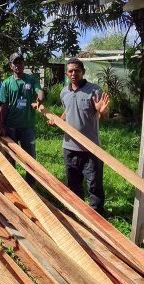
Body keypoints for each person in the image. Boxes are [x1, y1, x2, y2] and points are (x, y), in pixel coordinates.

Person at [55, 57, 109, 214]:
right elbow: (68, 110)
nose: (73, 73)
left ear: (83, 72)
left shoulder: (94, 90)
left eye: (77, 70)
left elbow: (103, 117)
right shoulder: (64, 92)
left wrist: (102, 111)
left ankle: (97, 215)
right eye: (70, 71)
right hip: (69, 147)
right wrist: (59, 120)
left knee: (94, 184)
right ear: (66, 73)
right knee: (73, 183)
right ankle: (76, 211)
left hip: (90, 148)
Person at [0, 52, 44, 184]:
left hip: (27, 126)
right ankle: (13, 183)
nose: (18, 65)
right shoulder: (6, 83)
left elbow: (39, 91)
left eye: (20, 62)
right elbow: (3, 105)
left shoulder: (31, 79)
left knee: (29, 157)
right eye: (15, 63)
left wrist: (40, 96)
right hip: (11, 126)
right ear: (11, 66)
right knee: (10, 155)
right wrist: (1, 124)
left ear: (24, 64)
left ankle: (31, 183)